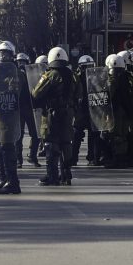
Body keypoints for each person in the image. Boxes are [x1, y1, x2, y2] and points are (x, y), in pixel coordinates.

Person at [31, 47, 76, 186]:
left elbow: (36, 93)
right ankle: (66, 173)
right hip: (68, 113)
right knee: (66, 142)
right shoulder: (73, 75)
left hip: (52, 114)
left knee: (51, 143)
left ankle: (52, 176)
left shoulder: (51, 75)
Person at [0, 41, 24, 194]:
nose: (4, 56)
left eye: (7, 54)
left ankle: (13, 182)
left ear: (12, 55)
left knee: (7, 148)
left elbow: (14, 91)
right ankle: (4, 179)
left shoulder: (15, 73)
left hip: (8, 116)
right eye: (1, 53)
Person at [104, 53, 133, 169]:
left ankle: (117, 158)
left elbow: (108, 94)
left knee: (116, 135)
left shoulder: (111, 79)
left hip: (116, 111)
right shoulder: (129, 77)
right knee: (123, 134)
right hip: (127, 110)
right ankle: (123, 158)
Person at [15, 53, 41, 168]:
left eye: (23, 62)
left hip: (30, 107)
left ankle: (32, 156)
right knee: (18, 135)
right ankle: (18, 160)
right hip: (19, 108)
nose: (21, 64)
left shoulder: (34, 74)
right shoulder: (14, 75)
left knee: (35, 134)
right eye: (19, 62)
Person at [72, 55, 97, 165]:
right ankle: (73, 158)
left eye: (90, 66)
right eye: (86, 67)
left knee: (92, 135)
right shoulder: (75, 78)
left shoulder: (95, 78)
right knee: (76, 135)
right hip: (81, 110)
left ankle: (91, 157)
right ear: (81, 67)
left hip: (92, 110)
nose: (88, 69)